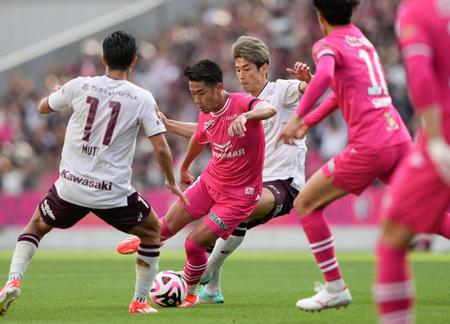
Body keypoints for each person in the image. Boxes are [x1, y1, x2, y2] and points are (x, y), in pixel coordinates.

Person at [0, 31, 187, 316]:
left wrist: (59, 91)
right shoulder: (142, 97)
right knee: (152, 232)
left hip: (71, 187)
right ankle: (138, 301)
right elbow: (161, 149)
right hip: (111, 193)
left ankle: (13, 279)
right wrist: (170, 181)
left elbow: (42, 107)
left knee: (36, 226)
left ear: (103, 59)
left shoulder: (80, 85)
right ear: (134, 61)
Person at [116, 36, 311, 304]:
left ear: (264, 68)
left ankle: (201, 275)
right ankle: (210, 288)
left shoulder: (280, 91)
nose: (242, 75)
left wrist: (308, 80)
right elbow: (202, 132)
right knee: (219, 219)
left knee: (232, 213)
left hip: (283, 182)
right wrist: (165, 123)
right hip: (246, 181)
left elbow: (305, 90)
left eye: (248, 68)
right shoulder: (225, 102)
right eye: (238, 68)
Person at [278, 0, 413, 311]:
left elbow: (324, 75)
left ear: (319, 16)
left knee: (306, 204)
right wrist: (308, 121)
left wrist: (298, 116)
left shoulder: (327, 44)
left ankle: (335, 287)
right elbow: (341, 93)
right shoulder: (362, 41)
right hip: (398, 135)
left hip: (371, 145)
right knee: (427, 211)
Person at [141, 59, 276, 308]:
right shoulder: (207, 113)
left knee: (194, 243)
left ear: (218, 87)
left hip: (239, 197)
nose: (197, 100)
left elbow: (269, 109)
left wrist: (247, 116)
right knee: (164, 227)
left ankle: (190, 293)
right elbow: (199, 138)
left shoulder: (240, 102)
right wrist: (184, 167)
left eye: (201, 93)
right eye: (193, 94)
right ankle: (141, 243)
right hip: (209, 182)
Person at [374, 1, 450, 322]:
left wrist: (433, 139)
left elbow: (420, 73)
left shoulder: (418, 9)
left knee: (393, 236)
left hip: (444, 132)